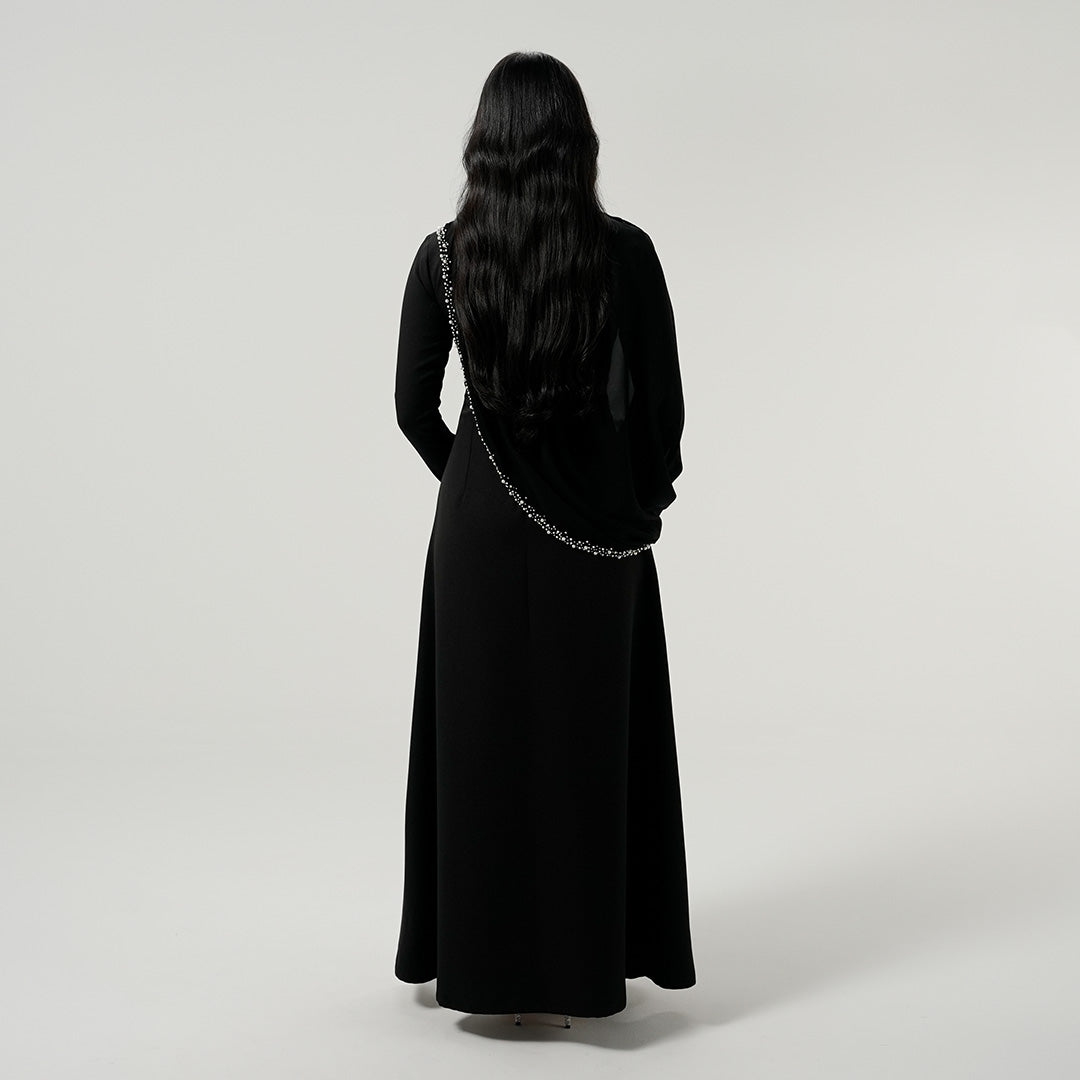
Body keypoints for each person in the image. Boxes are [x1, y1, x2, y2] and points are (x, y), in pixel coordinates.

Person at [393, 51, 695, 1025]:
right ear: (577, 143)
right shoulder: (625, 254)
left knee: (480, 743)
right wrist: (632, 499)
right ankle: (586, 962)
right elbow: (662, 416)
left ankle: (476, 968)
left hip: (476, 536)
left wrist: (475, 487)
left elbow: (411, 408)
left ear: (483, 145)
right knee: (585, 745)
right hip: (597, 541)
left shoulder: (445, 257)